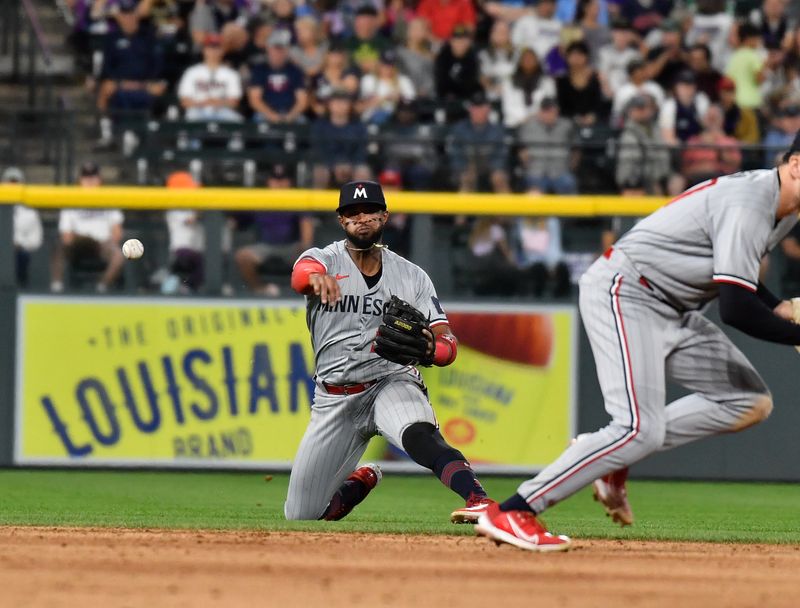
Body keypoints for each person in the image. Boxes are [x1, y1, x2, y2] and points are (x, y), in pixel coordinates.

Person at [476, 133, 800, 552]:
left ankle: (609, 453)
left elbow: (736, 278)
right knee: (636, 429)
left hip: (675, 308)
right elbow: (736, 308)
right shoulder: (752, 201)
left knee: (748, 400)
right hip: (627, 291)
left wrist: (777, 309)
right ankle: (514, 510)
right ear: (795, 164)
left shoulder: (783, 207)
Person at [285, 180, 495, 522]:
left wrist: (435, 350)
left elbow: (446, 340)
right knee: (301, 515)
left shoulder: (411, 276)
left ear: (384, 216)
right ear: (341, 220)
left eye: (369, 210)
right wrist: (314, 279)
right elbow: (300, 275)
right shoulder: (323, 259)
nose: (361, 218)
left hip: (388, 380)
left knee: (416, 431)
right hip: (334, 398)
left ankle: (479, 499)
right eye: (352, 212)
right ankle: (360, 481)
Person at [235, 164, 315, 296]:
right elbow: (241, 220)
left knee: (311, 257)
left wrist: (305, 246)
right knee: (243, 256)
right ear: (269, 182)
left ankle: (305, 293)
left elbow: (306, 225)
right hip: (266, 246)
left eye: (283, 180)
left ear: (289, 182)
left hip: (291, 247)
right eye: (275, 180)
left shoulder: (297, 199)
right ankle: (260, 290)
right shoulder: (260, 199)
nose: (279, 184)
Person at [51, 162, 125, 293]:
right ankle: (56, 288)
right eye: (86, 177)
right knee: (60, 248)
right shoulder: (71, 200)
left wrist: (110, 242)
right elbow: (66, 236)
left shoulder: (109, 199)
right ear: (80, 180)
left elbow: (117, 232)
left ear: (100, 180)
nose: (90, 180)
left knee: (118, 255)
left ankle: (102, 287)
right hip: (78, 244)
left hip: (102, 244)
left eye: (93, 176)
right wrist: (80, 239)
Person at [447, 90, 511, 193]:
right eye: (475, 107)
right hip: (467, 166)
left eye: (482, 107)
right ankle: (463, 209)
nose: (478, 111)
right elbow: (455, 153)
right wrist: (463, 168)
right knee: (467, 178)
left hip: (491, 166)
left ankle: (507, 209)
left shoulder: (497, 130)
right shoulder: (459, 129)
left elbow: (502, 154)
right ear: (470, 109)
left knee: (499, 178)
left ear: (488, 109)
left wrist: (495, 168)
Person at [311, 89, 372, 188]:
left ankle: (361, 203)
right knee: (320, 173)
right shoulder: (320, 126)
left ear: (350, 105)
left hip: (353, 164)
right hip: (327, 164)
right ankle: (319, 203)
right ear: (329, 105)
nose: (340, 106)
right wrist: (334, 165)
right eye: (336, 102)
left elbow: (361, 150)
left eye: (344, 102)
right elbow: (318, 150)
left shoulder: (358, 126)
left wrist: (350, 165)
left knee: (362, 173)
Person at [177, 33, 243, 122]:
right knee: (191, 118)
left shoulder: (231, 74)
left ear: (222, 50)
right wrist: (204, 103)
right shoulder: (192, 72)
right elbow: (184, 101)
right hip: (197, 110)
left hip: (222, 110)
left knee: (237, 121)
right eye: (210, 47)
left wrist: (217, 103)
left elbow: (235, 102)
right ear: (204, 50)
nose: (213, 51)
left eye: (217, 48)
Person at [517, 97, 577, 194]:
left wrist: (571, 166)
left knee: (569, 183)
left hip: (560, 171)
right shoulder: (528, 125)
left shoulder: (566, 125)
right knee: (534, 195)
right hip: (536, 171)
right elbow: (521, 148)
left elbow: (576, 148)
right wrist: (526, 163)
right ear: (540, 111)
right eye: (546, 111)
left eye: (553, 111)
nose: (550, 114)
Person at [247, 29, 308, 124]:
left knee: (303, 123)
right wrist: (272, 116)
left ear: (287, 50)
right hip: (265, 113)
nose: (278, 52)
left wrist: (290, 116)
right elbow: (254, 99)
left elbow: (302, 100)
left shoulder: (295, 71)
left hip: (291, 113)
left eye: (282, 49)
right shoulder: (259, 70)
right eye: (275, 48)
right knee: (257, 121)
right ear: (268, 48)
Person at [163, 171, 205, 294]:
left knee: (206, 260)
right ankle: (179, 285)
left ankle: (185, 286)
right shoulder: (174, 208)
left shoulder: (192, 206)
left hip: (196, 250)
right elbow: (191, 220)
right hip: (181, 251)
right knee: (200, 260)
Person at [3, 167, 42, 289]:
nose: (12, 186)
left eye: (16, 183)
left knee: (23, 256)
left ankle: (19, 288)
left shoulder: (30, 212)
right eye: (9, 182)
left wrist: (18, 244)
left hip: (18, 252)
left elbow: (36, 241)